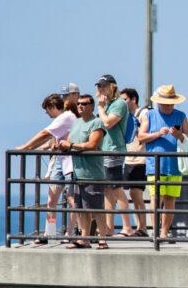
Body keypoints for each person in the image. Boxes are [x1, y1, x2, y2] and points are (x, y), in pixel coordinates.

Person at [15, 93, 76, 244]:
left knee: (71, 199)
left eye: (47, 110)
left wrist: (26, 147)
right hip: (60, 161)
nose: (47, 114)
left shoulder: (66, 117)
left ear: (53, 107)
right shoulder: (64, 118)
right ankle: (50, 232)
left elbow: (44, 134)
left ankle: (70, 233)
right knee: (52, 199)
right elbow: (50, 139)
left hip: (70, 162)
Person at [58, 94, 110, 249]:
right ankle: (85, 238)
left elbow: (92, 144)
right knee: (81, 209)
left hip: (93, 173)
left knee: (96, 209)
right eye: (79, 103)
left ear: (92, 106)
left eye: (84, 104)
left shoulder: (97, 123)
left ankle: (102, 239)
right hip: (78, 172)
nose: (80, 106)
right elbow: (68, 141)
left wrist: (71, 144)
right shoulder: (76, 123)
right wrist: (60, 145)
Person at [141, 85, 188, 241]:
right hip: (155, 164)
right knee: (156, 198)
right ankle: (155, 232)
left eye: (171, 103)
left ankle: (163, 233)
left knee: (170, 199)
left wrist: (179, 136)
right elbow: (141, 137)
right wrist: (157, 134)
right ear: (159, 102)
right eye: (165, 103)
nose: (168, 106)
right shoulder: (149, 115)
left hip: (175, 165)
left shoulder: (181, 116)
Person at [95, 75, 130, 234]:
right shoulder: (107, 104)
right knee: (108, 190)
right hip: (104, 150)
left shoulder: (119, 104)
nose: (101, 89)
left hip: (114, 150)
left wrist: (101, 108)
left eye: (104, 86)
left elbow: (108, 123)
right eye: (99, 86)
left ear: (112, 87)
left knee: (116, 188)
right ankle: (108, 228)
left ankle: (127, 227)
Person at [119, 88, 149, 236]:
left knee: (137, 193)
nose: (122, 103)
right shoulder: (126, 116)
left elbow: (144, 134)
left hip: (140, 159)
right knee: (132, 193)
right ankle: (139, 227)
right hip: (129, 158)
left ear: (133, 99)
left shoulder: (143, 113)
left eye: (124, 99)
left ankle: (142, 228)